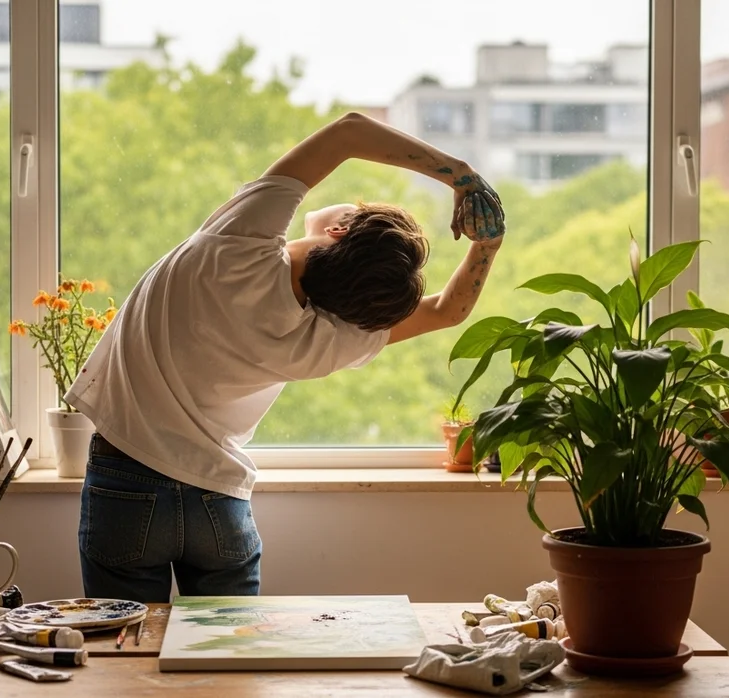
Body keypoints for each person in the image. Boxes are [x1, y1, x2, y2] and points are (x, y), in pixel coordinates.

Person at [64, 112, 507, 603]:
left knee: (122, 662)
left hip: (126, 477)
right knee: (227, 666)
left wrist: (460, 174)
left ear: (339, 231)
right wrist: (488, 241)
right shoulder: (325, 339)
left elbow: (350, 133)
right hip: (219, 501)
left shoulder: (240, 245)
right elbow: (448, 310)